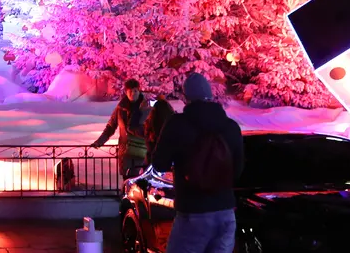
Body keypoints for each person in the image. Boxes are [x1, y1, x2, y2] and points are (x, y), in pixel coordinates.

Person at [151, 73, 245, 253]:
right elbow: (238, 171)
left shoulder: (177, 124)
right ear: (210, 95)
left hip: (192, 213)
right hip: (225, 212)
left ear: (186, 98)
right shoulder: (231, 127)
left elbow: (159, 164)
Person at [91, 78, 152, 180]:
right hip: (126, 152)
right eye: (130, 91)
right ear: (126, 92)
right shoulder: (121, 108)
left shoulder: (147, 108)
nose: (133, 94)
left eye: (135, 91)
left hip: (142, 152)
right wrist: (99, 142)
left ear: (139, 91)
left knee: (141, 182)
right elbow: (110, 127)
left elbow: (153, 129)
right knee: (127, 181)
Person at [144, 98, 176, 170]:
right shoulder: (173, 125)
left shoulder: (150, 127)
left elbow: (134, 128)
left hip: (152, 165)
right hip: (170, 165)